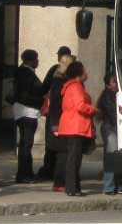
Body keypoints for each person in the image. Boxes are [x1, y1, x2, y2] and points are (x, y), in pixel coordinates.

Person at [57, 60, 96, 196]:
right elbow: (80, 106)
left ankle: (73, 187)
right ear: (79, 73)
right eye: (84, 70)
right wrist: (93, 110)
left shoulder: (71, 86)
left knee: (73, 158)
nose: (87, 72)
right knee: (74, 159)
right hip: (76, 125)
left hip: (70, 125)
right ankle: (72, 188)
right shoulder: (76, 87)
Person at [36, 46, 72, 182]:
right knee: (64, 148)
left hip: (55, 116)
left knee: (51, 146)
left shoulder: (54, 72)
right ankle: (59, 174)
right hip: (64, 116)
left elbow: (44, 87)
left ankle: (50, 170)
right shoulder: (70, 75)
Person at [11, 49, 44, 184]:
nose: (38, 61)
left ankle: (26, 173)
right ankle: (24, 174)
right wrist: (40, 101)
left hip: (23, 111)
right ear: (30, 61)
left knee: (25, 144)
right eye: (36, 59)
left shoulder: (23, 72)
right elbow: (25, 95)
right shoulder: (26, 74)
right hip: (27, 112)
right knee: (26, 144)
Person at [45, 54, 74, 191]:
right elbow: (55, 105)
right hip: (59, 122)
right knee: (63, 152)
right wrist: (55, 125)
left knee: (63, 153)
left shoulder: (61, 80)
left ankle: (61, 181)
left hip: (61, 121)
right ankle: (59, 182)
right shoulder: (59, 82)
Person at [96, 73, 122, 195]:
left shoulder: (114, 95)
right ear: (108, 84)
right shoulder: (108, 96)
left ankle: (114, 186)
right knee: (111, 157)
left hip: (112, 127)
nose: (116, 83)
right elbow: (113, 112)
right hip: (110, 128)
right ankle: (109, 186)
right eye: (114, 81)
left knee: (115, 157)